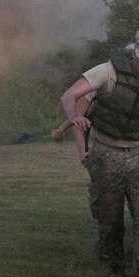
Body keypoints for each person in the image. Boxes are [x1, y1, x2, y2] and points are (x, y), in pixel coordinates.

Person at [60, 28, 139, 277]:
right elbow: (69, 96)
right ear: (133, 53)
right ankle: (116, 268)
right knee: (108, 220)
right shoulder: (107, 72)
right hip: (106, 152)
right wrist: (74, 118)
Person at [52, 90, 99, 218]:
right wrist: (82, 152)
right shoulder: (98, 90)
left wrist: (60, 130)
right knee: (101, 199)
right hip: (103, 153)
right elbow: (77, 116)